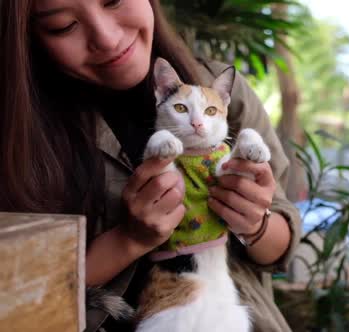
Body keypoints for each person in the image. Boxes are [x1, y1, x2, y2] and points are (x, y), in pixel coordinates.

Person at [0, 0, 301, 331]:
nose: (108, 38)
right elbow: (21, 298)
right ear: (28, 38)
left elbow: (281, 244)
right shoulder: (22, 135)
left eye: (113, 0)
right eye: (63, 26)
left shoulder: (217, 86)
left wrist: (255, 221)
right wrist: (130, 238)